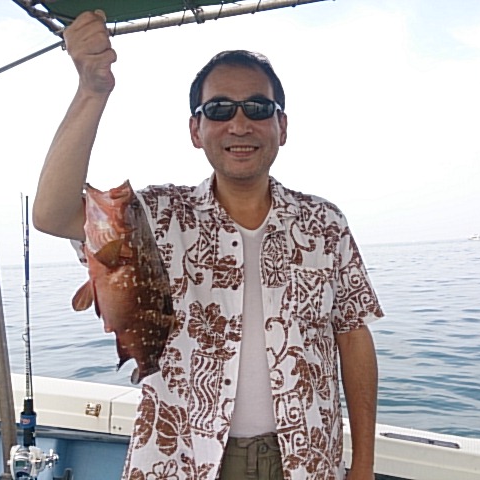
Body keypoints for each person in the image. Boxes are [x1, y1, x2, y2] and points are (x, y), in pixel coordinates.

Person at [33, 10, 384, 480]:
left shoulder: (325, 223)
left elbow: (354, 337)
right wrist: (91, 91)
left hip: (307, 461)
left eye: (257, 108)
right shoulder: (154, 215)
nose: (239, 124)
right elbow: (52, 215)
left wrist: (363, 465)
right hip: (180, 459)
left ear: (282, 126)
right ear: (195, 131)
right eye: (219, 110)